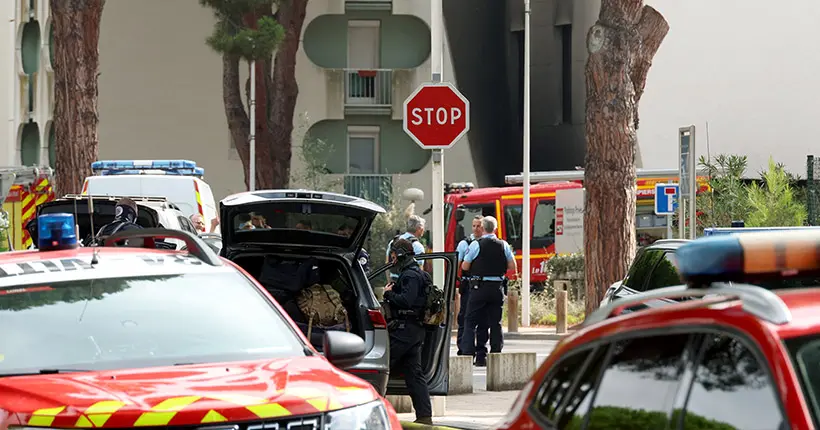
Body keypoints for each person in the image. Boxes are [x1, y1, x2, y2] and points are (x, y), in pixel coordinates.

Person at [383, 238, 433, 425]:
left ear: (401, 255)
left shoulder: (410, 275)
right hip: (414, 330)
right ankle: (424, 416)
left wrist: (389, 294)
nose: (393, 258)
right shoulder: (417, 273)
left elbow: (406, 301)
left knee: (380, 366)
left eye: (394, 255)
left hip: (405, 330)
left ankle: (370, 409)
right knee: (414, 375)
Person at [459, 216, 517, 367]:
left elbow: (464, 266)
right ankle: (495, 353)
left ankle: (467, 353)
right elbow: (512, 266)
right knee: (495, 322)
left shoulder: (476, 245)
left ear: (483, 228)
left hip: (479, 287)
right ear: (495, 229)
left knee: (470, 321)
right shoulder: (503, 245)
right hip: (497, 288)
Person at [455, 215, 483, 356]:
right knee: (464, 318)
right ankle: (463, 348)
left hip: (482, 286)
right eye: (474, 226)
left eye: (479, 226)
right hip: (468, 284)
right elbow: (458, 265)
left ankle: (479, 350)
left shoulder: (486, 242)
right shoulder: (464, 244)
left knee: (480, 320)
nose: (476, 229)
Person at [385, 215, 426, 281]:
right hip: (409, 284)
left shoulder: (393, 242)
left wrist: (390, 284)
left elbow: (387, 264)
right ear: (419, 229)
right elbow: (419, 271)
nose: (423, 230)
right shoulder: (418, 246)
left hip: (393, 282)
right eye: (423, 228)